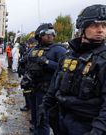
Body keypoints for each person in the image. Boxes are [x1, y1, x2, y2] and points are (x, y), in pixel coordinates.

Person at [38, 4, 106, 135]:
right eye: (94, 25)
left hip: (88, 125)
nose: (100, 30)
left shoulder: (103, 59)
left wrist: (98, 131)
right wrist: (44, 106)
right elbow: (54, 86)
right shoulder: (69, 55)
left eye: (104, 26)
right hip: (61, 121)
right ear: (82, 28)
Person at [25, 23, 66, 135]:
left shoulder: (59, 50)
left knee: (43, 119)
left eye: (53, 34)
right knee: (35, 117)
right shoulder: (34, 49)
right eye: (47, 34)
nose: (50, 36)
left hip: (47, 91)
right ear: (39, 36)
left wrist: (47, 62)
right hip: (33, 88)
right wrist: (25, 76)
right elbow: (27, 65)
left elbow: (64, 70)